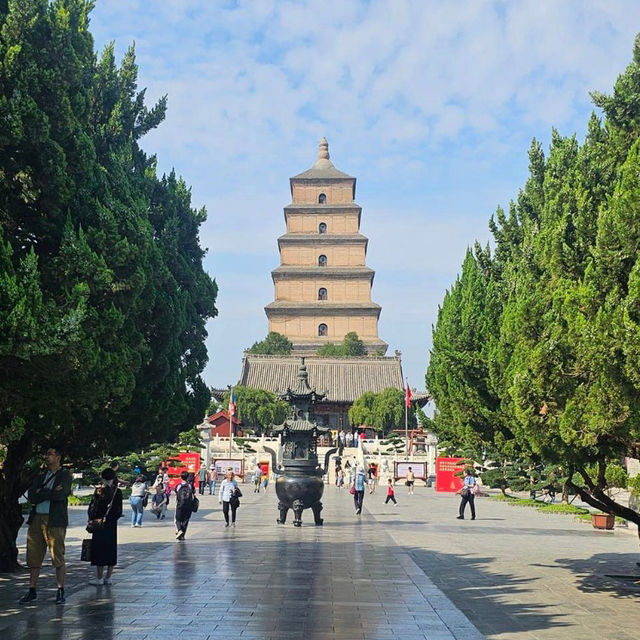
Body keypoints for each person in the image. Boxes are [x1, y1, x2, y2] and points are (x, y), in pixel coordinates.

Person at [20, 446, 72, 605]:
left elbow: (61, 495)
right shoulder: (40, 476)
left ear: (58, 457)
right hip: (37, 519)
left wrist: (43, 492)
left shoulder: (64, 475)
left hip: (55, 519)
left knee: (57, 555)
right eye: (46, 454)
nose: (47, 457)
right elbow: (32, 497)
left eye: (51, 454)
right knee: (33, 555)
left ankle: (60, 589)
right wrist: (48, 492)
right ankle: (32, 589)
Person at [87, 468, 123, 585]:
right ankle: (108, 577)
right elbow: (119, 511)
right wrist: (111, 519)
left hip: (99, 524)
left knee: (99, 549)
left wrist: (92, 518)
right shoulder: (117, 492)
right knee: (111, 549)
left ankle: (99, 577)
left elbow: (93, 508)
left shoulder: (99, 491)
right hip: (111, 525)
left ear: (103, 478)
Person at [174, 471, 195, 540]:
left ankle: (179, 530)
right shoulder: (190, 485)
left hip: (180, 504)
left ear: (181, 477)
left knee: (178, 519)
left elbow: (176, 492)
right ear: (187, 477)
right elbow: (193, 492)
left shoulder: (178, 485)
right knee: (186, 520)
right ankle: (182, 535)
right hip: (188, 505)